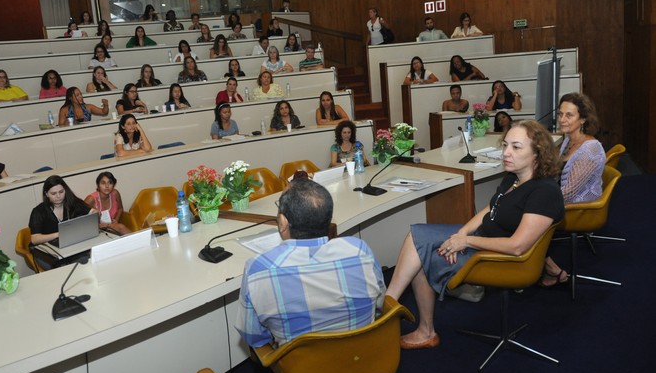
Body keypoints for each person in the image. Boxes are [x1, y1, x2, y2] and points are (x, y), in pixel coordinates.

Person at [385, 120, 565, 349]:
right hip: (483, 239)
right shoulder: (515, 178)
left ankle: (409, 324)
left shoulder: (545, 192)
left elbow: (517, 246)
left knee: (421, 254)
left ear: (537, 154)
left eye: (516, 147)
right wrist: (461, 233)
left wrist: (466, 241)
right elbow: (491, 209)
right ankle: (390, 305)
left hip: (505, 259)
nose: (506, 153)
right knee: (416, 236)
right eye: (506, 145)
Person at [235, 178, 385, 348]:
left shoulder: (259, 268)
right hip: (366, 355)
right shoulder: (359, 250)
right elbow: (379, 303)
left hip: (301, 371)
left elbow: (253, 336)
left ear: (283, 223)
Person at [540, 93, 606, 287]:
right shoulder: (570, 140)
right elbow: (557, 174)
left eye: (569, 115)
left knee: (520, 214)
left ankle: (552, 270)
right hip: (565, 198)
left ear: (583, 119)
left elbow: (568, 193)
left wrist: (536, 199)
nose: (562, 119)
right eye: (560, 114)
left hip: (579, 207)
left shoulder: (590, 149)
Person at [84, 172, 131, 236]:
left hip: (112, 226)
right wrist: (98, 226)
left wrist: (116, 220)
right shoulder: (91, 199)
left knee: (121, 227)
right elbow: (81, 219)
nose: (107, 186)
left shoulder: (115, 193)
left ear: (113, 185)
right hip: (96, 229)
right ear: (98, 185)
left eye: (110, 183)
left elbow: (120, 209)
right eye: (103, 183)